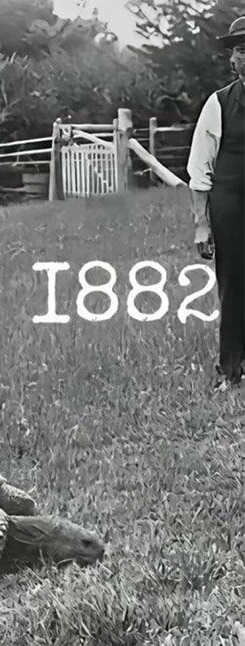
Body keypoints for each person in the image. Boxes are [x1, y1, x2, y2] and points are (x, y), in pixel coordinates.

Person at [187, 15, 245, 389]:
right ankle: (231, 370)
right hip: (231, 206)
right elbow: (199, 166)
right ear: (233, 60)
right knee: (235, 284)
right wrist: (201, 222)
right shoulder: (218, 104)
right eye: (242, 50)